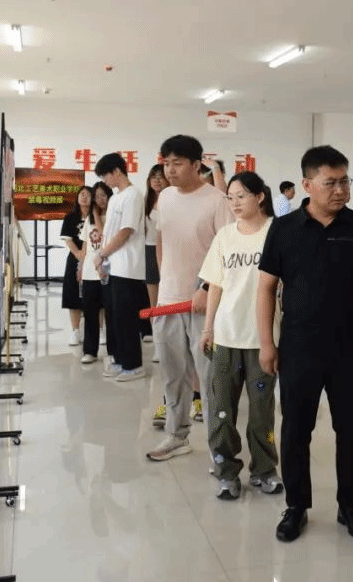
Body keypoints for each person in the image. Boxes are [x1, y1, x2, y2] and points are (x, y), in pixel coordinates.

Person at [257, 146, 353, 543]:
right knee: (296, 430)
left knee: (352, 431)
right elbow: (266, 288)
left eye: (345, 181)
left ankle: (349, 506)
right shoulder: (284, 228)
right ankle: (296, 506)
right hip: (299, 346)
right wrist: (267, 343)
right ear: (307, 184)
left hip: (351, 346)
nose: (341, 190)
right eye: (330, 182)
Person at [148, 135, 234, 462]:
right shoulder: (165, 197)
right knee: (172, 376)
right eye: (166, 163)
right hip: (168, 303)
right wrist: (165, 284)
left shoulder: (217, 200)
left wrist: (206, 288)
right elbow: (161, 241)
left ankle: (219, 448)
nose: (169, 170)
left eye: (177, 163)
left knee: (210, 380)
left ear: (197, 165)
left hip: (204, 306)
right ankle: (177, 435)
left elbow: (227, 252)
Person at [199, 172, 283, 499]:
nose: (234, 203)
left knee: (262, 412)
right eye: (230, 197)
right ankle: (226, 472)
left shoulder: (277, 232)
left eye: (241, 196)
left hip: (263, 340)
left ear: (260, 196)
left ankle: (264, 470)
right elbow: (215, 285)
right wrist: (208, 328)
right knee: (222, 411)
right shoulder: (225, 236)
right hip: (225, 337)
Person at [94, 153, 149, 382]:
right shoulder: (116, 198)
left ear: (117, 171)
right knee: (114, 317)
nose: (104, 181)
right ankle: (119, 359)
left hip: (128, 267)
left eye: (105, 175)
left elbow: (126, 232)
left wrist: (102, 254)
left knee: (126, 318)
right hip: (112, 266)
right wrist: (102, 260)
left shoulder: (133, 195)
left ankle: (133, 365)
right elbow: (109, 233)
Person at [79, 182, 111, 365]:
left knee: (111, 313)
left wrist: (96, 215)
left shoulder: (112, 217)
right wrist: (80, 267)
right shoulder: (88, 220)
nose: (100, 199)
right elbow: (85, 245)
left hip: (108, 272)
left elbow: (104, 235)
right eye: (97, 196)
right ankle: (90, 351)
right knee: (90, 313)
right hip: (90, 273)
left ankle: (113, 351)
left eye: (103, 195)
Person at [60, 186, 92, 346]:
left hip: (94, 259)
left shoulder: (96, 216)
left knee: (94, 295)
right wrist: (79, 254)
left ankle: (98, 330)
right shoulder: (71, 217)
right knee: (73, 295)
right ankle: (75, 331)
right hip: (75, 259)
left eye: (87, 195)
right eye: (81, 194)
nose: (84, 197)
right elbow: (68, 239)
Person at [144, 164, 168, 347]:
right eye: (153, 177)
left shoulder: (174, 199)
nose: (157, 180)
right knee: (153, 297)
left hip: (170, 250)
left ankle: (167, 336)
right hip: (150, 249)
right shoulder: (145, 202)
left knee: (168, 296)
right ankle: (157, 338)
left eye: (160, 176)